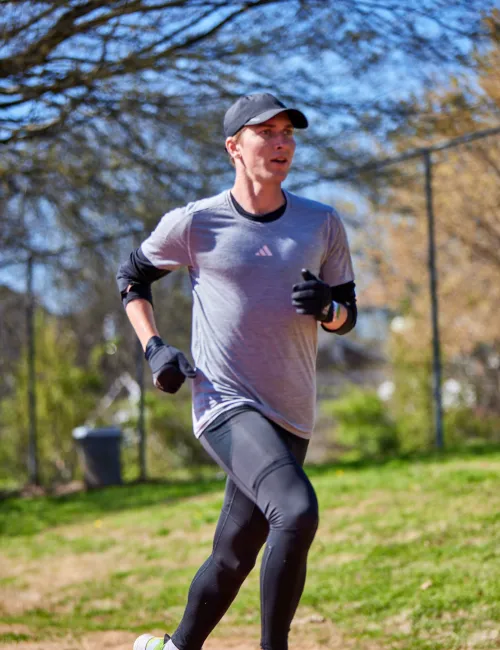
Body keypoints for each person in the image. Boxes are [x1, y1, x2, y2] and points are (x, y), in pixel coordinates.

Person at [116, 92, 357, 650]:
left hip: (292, 411)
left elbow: (347, 317)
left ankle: (175, 647)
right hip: (224, 402)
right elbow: (131, 279)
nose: (281, 142)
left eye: (288, 134)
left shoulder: (321, 223)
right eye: (266, 132)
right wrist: (154, 348)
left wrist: (328, 307)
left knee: (234, 555)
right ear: (234, 146)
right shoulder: (197, 223)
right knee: (296, 512)